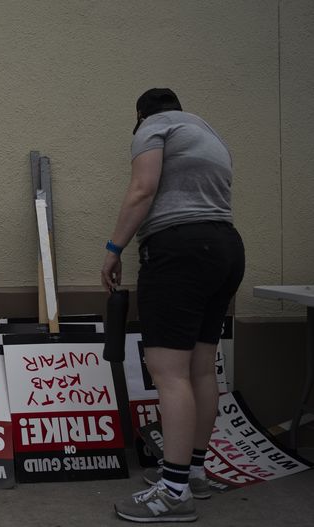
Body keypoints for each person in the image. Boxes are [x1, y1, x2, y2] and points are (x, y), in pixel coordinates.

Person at [101, 88, 244, 523]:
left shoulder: (154, 127)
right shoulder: (209, 134)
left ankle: (174, 491)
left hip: (179, 253)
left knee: (170, 374)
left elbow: (142, 189)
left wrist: (113, 250)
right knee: (200, 369)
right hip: (225, 249)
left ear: (140, 113)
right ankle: (194, 473)